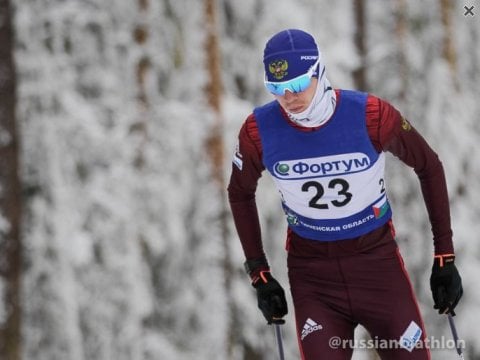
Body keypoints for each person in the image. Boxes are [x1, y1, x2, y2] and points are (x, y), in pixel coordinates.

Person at [227, 29, 463, 360]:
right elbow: (239, 193)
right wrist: (259, 273)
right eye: (277, 89)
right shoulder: (258, 131)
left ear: (318, 72)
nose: (289, 98)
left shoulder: (370, 115)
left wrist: (445, 257)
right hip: (313, 277)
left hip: (376, 266)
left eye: (297, 85)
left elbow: (429, 166)